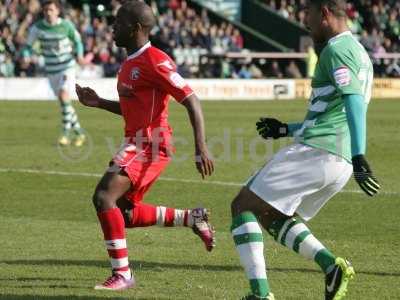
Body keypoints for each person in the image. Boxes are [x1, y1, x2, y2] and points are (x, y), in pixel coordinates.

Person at [230, 0, 381, 299]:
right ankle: (331, 267)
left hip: (320, 151)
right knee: (272, 216)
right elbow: (333, 110)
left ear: (324, 13)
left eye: (308, 15)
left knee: (242, 206)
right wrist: (286, 128)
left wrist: (360, 155)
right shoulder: (359, 52)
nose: (306, 22)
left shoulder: (336, 50)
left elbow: (352, 101)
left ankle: (260, 295)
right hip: (335, 160)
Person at [75, 1, 215, 291]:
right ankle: (192, 217)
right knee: (123, 213)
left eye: (118, 22)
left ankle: (123, 274)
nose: (112, 27)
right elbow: (133, 109)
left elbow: (191, 99)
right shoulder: (128, 64)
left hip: (149, 143)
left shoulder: (155, 60)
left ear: (136, 28)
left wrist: (201, 146)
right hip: (137, 142)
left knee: (103, 196)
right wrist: (99, 103)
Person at [22, 0, 86, 146]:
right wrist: (26, 57)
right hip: (51, 70)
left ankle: (65, 134)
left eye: (51, 10)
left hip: (67, 67)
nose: (48, 13)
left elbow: (77, 41)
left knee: (64, 96)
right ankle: (79, 132)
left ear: (57, 11)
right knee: (65, 103)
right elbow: (27, 46)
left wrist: (80, 55)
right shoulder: (37, 28)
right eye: (45, 10)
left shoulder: (66, 25)